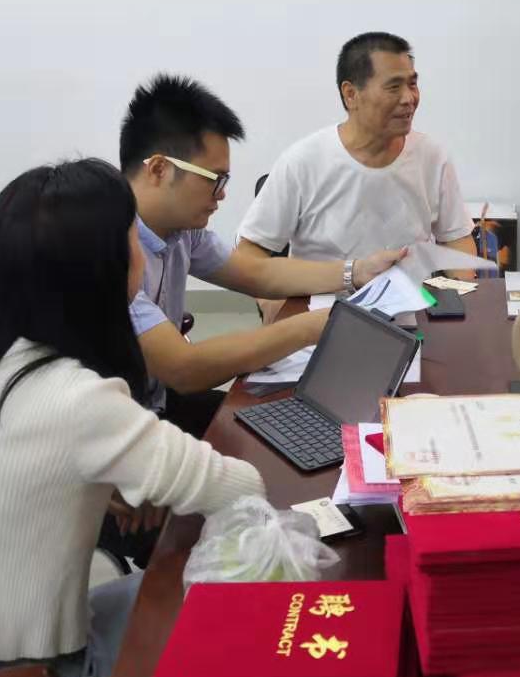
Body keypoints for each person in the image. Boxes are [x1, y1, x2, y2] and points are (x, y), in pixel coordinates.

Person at [0, 159, 267, 677]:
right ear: (107, 267)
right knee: (246, 612)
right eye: (132, 236)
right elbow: (240, 490)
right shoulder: (79, 398)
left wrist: (88, 482)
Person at [119, 74, 403, 433]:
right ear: (159, 169)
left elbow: (257, 273)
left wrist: (356, 271)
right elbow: (184, 369)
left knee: (286, 425)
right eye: (214, 180)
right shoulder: (105, 248)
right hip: (121, 430)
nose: (222, 194)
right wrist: (310, 327)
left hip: (157, 401)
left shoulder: (182, 232)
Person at [237, 31, 477, 263]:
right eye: (393, 87)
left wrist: (461, 289)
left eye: (412, 84)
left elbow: (456, 240)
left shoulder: (432, 156)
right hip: (326, 290)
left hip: (413, 290)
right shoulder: (302, 162)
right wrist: (284, 296)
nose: (409, 98)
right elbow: (251, 252)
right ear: (351, 94)